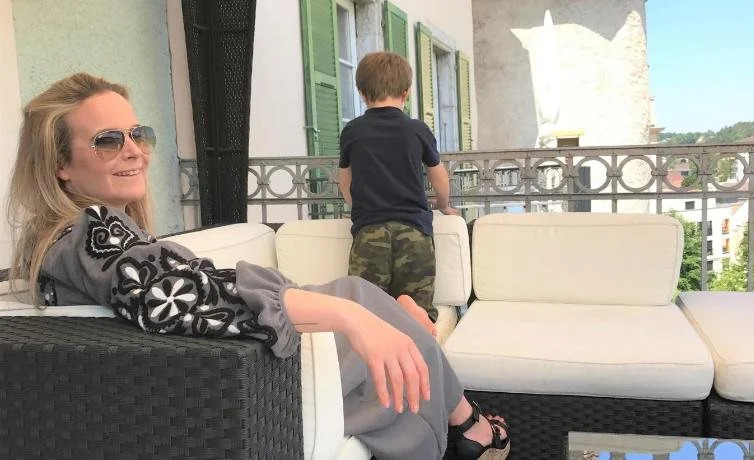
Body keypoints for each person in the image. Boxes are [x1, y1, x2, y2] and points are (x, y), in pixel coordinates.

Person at [7, 73, 509, 460]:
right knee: (364, 303)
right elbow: (176, 292)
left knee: (372, 303)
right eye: (108, 140)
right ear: (60, 165)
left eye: (138, 134)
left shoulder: (78, 236)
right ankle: (468, 424)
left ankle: (464, 421)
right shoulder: (89, 233)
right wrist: (353, 317)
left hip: (224, 366)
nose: (135, 150)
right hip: (242, 378)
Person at [338, 51, 459, 328]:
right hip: (414, 232)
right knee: (417, 313)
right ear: (406, 92)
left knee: (366, 313)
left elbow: (345, 179)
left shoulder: (353, 131)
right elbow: (439, 177)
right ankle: (418, 348)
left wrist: (356, 208)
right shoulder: (416, 129)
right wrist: (443, 204)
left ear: (362, 93)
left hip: (369, 233)